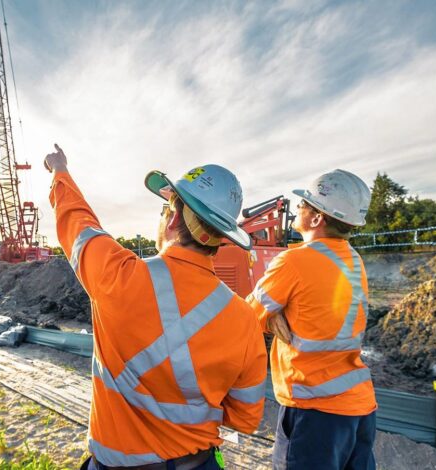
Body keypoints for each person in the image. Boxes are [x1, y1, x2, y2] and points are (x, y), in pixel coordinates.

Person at [44, 144, 268, 470]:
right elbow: (245, 418)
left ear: (174, 217)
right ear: (221, 238)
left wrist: (59, 171)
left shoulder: (117, 276)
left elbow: (76, 222)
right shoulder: (245, 320)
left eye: (164, 210)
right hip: (200, 463)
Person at [246, 169, 376, 470]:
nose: (298, 210)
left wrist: (268, 316)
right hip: (358, 407)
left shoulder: (295, 260)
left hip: (313, 411)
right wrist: (274, 314)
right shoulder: (353, 260)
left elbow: (248, 315)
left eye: (304, 204)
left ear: (317, 218)